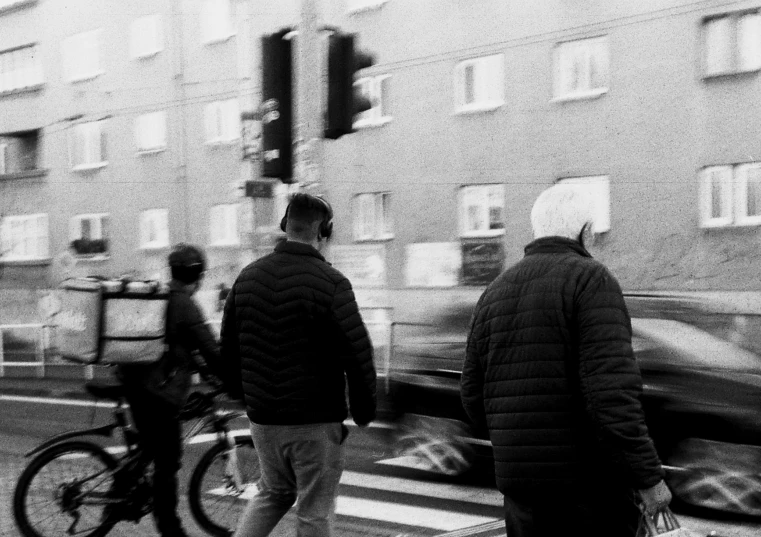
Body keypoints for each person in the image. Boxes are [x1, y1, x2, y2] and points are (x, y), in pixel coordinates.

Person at [460, 184, 671, 537]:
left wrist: (517, 444)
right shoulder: (591, 279)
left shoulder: (494, 291)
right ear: (585, 231)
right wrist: (648, 478)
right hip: (587, 493)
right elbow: (610, 394)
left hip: (521, 492)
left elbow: (471, 393)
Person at [221, 192, 377, 537]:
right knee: (314, 509)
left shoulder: (247, 277)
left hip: (263, 420)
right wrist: (364, 410)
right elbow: (358, 352)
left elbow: (228, 347)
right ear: (324, 231)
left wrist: (244, 397)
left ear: (284, 226)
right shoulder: (332, 283)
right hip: (314, 422)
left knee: (272, 493)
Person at [117, 243, 226, 537]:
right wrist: (232, 377)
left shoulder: (162, 298)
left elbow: (183, 349)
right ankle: (171, 529)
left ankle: (118, 498)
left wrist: (204, 370)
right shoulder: (184, 304)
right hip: (159, 393)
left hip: (137, 384)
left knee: (149, 449)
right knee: (168, 460)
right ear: (197, 275)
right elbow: (209, 348)